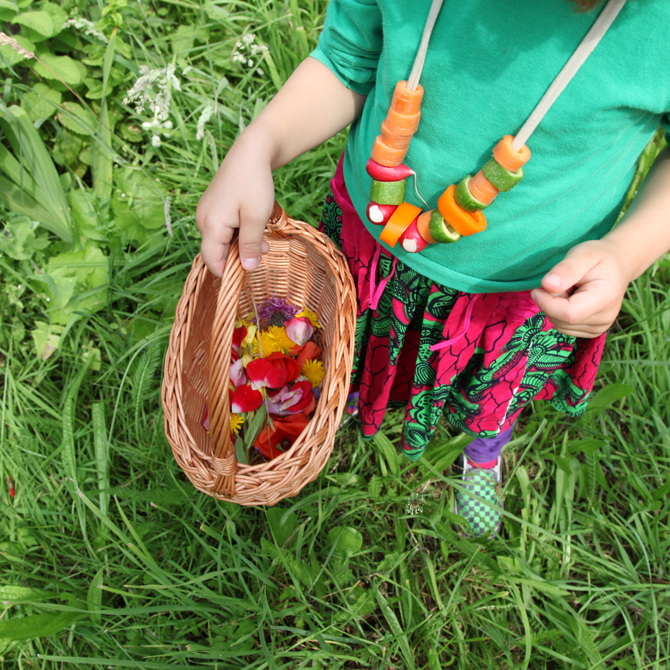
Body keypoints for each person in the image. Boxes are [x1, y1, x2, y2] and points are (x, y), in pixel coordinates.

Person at [196, 0, 670, 538]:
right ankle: (340, 401)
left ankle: (484, 449)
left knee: (493, 390)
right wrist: (258, 145)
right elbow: (347, 57)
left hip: (523, 290)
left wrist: (626, 252)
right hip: (370, 248)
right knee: (350, 349)